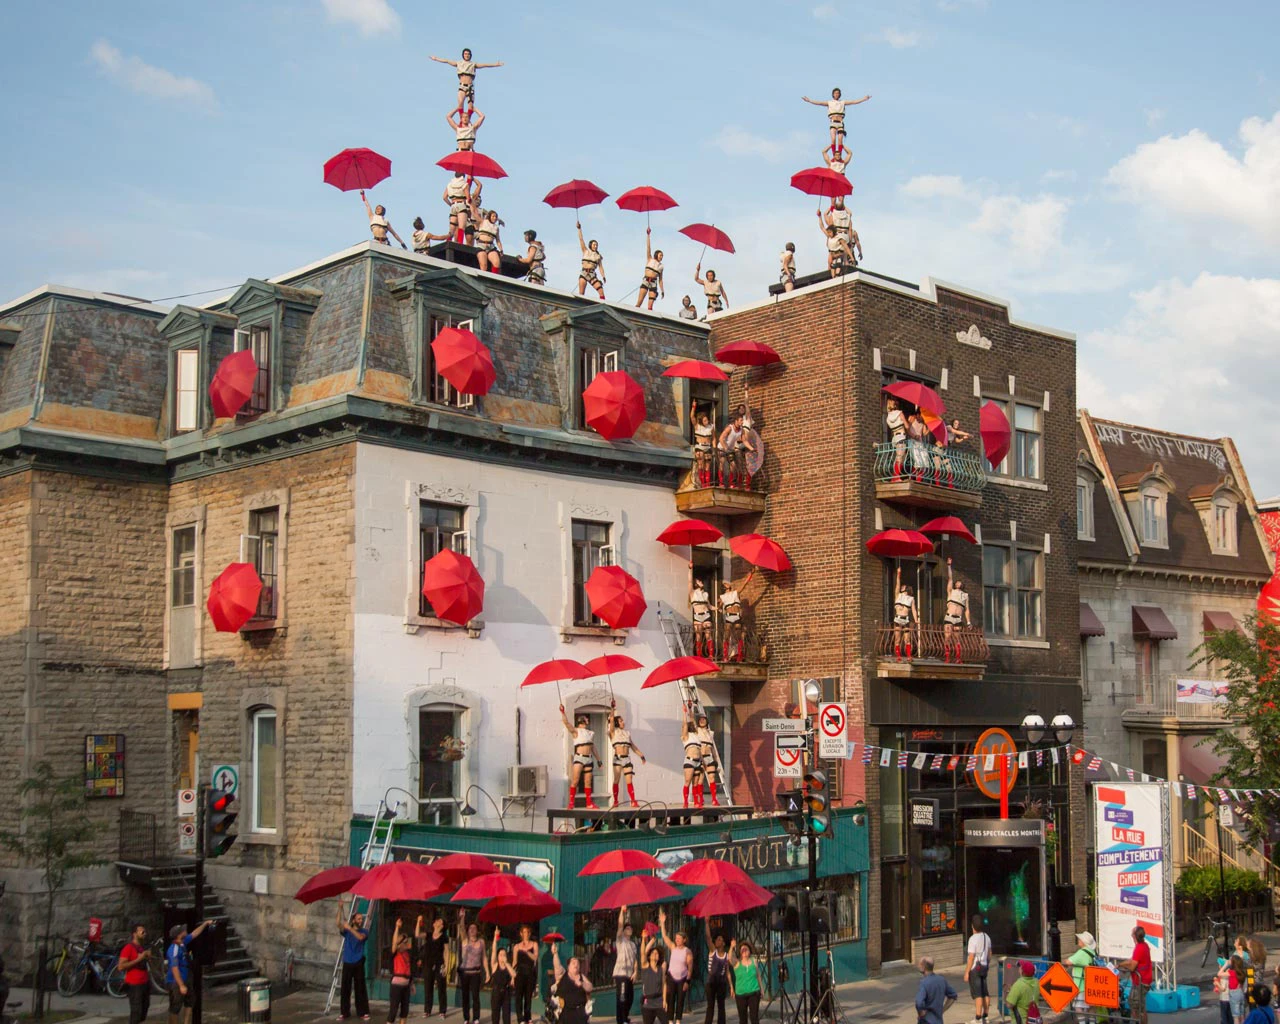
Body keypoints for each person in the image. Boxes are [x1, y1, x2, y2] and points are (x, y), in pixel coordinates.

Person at [167, 919, 213, 1024]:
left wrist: (205, 924)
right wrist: (181, 985)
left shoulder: (183, 943)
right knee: (175, 1006)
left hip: (186, 976)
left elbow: (194, 934)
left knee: (190, 1001)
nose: (185, 931)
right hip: (176, 981)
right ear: (178, 935)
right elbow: (174, 968)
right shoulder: (173, 949)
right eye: (183, 930)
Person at [430, 49, 504, 112]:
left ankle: (468, 119)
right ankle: (461, 120)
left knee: (470, 106)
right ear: (463, 55)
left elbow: (485, 65)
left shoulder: (473, 64)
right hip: (462, 86)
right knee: (460, 103)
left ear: (470, 55)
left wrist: (495, 64)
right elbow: (447, 61)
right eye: (465, 54)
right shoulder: (459, 63)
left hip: (470, 87)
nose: (467, 55)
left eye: (468, 54)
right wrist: (436, 58)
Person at [801, 88, 872, 151]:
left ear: (839, 94)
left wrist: (864, 99)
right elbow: (819, 103)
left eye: (838, 93)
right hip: (833, 122)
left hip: (840, 123)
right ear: (833, 94)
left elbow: (853, 102)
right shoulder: (829, 102)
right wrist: (809, 100)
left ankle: (839, 155)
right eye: (835, 93)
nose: (836, 94)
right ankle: (834, 154)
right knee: (833, 139)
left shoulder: (842, 102)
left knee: (840, 140)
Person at [560, 706, 602, 809]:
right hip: (579, 758)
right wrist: (563, 712)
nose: (588, 720)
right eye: (587, 719)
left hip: (589, 758)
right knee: (575, 780)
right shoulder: (576, 731)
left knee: (588, 781)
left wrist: (599, 760)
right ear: (582, 720)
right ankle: (571, 803)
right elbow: (566, 723)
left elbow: (593, 747)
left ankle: (589, 803)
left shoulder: (590, 733)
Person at [608, 707, 648, 808]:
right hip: (618, 758)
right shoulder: (613, 732)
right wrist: (612, 708)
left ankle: (633, 800)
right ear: (617, 723)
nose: (623, 722)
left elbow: (633, 746)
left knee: (629, 779)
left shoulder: (627, 733)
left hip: (627, 758)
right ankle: (616, 800)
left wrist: (641, 755)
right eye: (621, 721)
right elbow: (611, 719)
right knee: (616, 779)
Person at [719, 568, 758, 665]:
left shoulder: (735, 592)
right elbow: (717, 606)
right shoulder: (722, 597)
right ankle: (725, 656)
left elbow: (744, 584)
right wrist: (718, 609)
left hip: (736, 616)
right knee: (727, 635)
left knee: (738, 635)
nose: (727, 584)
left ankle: (739, 655)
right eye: (725, 583)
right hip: (728, 616)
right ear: (724, 587)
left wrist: (750, 574)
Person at [659, 910, 691, 1024]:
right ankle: (670, 1020)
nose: (676, 940)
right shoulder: (673, 947)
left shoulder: (687, 951)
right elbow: (664, 936)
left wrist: (688, 981)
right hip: (671, 977)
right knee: (670, 998)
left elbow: (690, 967)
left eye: (679, 938)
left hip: (682, 978)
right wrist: (662, 923)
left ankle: (678, 1020)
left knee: (680, 999)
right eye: (676, 938)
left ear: (684, 940)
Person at [416, 913, 449, 1019]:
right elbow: (417, 934)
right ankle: (427, 1010)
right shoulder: (429, 935)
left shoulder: (444, 937)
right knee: (428, 987)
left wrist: (446, 966)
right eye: (436, 920)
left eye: (439, 921)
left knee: (441, 988)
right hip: (428, 964)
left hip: (440, 964)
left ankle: (442, 1011)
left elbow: (447, 952)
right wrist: (418, 921)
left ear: (442, 925)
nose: (436, 921)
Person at [1119, 925, 1154, 1024]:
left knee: (1137, 1006)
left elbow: (1133, 966)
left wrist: (1125, 967)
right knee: (1137, 1004)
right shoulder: (1144, 945)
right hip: (1144, 980)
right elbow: (1133, 960)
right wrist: (1121, 964)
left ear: (1134, 936)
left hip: (1141, 982)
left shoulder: (1139, 948)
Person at [119, 922, 152, 1024]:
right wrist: (139, 959)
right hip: (134, 984)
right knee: (136, 1012)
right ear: (134, 933)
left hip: (144, 982)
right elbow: (121, 966)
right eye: (142, 931)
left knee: (144, 1009)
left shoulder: (142, 947)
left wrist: (148, 957)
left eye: (145, 931)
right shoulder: (128, 948)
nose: (144, 933)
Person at [550, 944, 593, 1024]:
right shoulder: (563, 974)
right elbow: (557, 966)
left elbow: (590, 987)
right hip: (566, 1013)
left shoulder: (581, 976)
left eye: (577, 963)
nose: (576, 964)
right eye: (573, 963)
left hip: (580, 1012)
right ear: (568, 966)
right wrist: (555, 954)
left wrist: (582, 984)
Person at [457, 913, 487, 1024]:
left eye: (474, 928)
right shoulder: (465, 940)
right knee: (465, 997)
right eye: (470, 928)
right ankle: (466, 1018)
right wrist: (462, 918)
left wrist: (487, 972)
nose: (472, 929)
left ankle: (476, 1018)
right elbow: (461, 929)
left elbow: (484, 957)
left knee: (475, 996)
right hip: (465, 973)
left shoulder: (481, 942)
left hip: (476, 973)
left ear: (477, 930)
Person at [963, 914, 992, 1024]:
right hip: (984, 966)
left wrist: (966, 972)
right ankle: (986, 1016)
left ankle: (978, 1018)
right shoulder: (986, 937)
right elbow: (990, 953)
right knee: (985, 992)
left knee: (978, 994)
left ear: (972, 926)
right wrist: (987, 963)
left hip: (975, 968)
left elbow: (971, 957)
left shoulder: (972, 939)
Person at [613, 907, 639, 1024]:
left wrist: (635, 972)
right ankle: (622, 1020)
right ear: (623, 931)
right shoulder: (620, 941)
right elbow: (619, 925)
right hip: (621, 973)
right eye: (627, 928)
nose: (629, 929)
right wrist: (622, 911)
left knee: (630, 998)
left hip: (629, 975)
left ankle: (624, 1017)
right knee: (622, 998)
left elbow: (635, 960)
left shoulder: (633, 944)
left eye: (630, 928)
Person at [716, 411, 756, 490]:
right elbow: (721, 438)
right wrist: (726, 448)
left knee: (733, 466)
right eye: (741, 420)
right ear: (736, 421)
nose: (742, 422)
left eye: (742, 421)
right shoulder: (729, 428)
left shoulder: (742, 430)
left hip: (730, 450)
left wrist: (752, 449)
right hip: (722, 448)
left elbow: (744, 441)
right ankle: (721, 483)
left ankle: (732, 484)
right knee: (722, 464)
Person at [943, 559, 971, 664]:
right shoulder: (951, 592)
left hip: (958, 618)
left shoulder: (965, 595)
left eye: (960, 583)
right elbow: (950, 579)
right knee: (947, 637)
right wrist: (949, 566)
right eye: (957, 582)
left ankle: (958, 657)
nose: (958, 583)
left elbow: (967, 610)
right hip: (949, 617)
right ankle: (947, 657)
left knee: (957, 638)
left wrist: (968, 622)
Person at [915, 956, 957, 1024]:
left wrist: (921, 1012)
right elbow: (953, 996)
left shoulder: (924, 983)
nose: (918, 966)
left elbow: (919, 1002)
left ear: (924, 966)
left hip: (926, 1021)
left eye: (919, 964)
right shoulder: (941, 980)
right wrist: (942, 1010)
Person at [728, 939, 761, 1024]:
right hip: (740, 995)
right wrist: (732, 947)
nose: (744, 951)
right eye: (742, 949)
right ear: (740, 952)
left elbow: (758, 975)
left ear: (750, 951)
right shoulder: (737, 963)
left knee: (754, 1018)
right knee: (743, 1020)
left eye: (746, 949)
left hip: (754, 992)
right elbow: (730, 958)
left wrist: (762, 989)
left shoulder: (754, 961)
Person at [680, 709, 708, 809]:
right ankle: (686, 802)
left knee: (695, 783)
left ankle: (696, 802)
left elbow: (693, 722)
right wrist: (684, 713)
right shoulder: (685, 736)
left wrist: (691, 711)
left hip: (698, 761)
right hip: (689, 760)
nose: (691, 725)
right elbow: (685, 724)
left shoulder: (696, 736)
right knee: (688, 781)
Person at [388, 920, 414, 1024]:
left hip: (406, 985)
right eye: (405, 942)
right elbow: (394, 943)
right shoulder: (396, 953)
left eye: (407, 942)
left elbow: (409, 970)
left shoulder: (407, 954)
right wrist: (397, 928)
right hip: (397, 984)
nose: (407, 944)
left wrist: (411, 984)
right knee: (393, 1010)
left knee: (405, 1011)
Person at [1067, 931, 1097, 1020]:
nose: (1078, 940)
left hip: (1081, 985)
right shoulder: (1092, 953)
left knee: (1078, 1006)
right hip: (1091, 985)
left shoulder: (1081, 953)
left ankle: (1082, 1023)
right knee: (1091, 1006)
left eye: (1080, 939)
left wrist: (1064, 962)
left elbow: (1069, 962)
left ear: (1083, 942)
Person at [703, 925, 730, 1024]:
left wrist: (731, 986)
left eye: (720, 940)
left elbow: (727, 972)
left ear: (723, 943)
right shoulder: (712, 951)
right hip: (711, 982)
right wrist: (706, 923)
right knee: (710, 1006)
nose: (717, 941)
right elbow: (708, 937)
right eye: (717, 939)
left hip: (721, 983)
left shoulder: (727, 955)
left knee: (721, 1006)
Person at [513, 926, 539, 1024]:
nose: (526, 934)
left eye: (527, 932)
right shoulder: (516, 946)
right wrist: (512, 976)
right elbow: (514, 962)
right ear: (521, 934)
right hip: (519, 974)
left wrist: (527, 952)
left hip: (530, 974)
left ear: (529, 933)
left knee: (528, 998)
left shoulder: (534, 944)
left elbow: (535, 958)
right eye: (524, 932)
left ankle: (528, 1017)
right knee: (518, 997)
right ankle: (520, 1019)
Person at [892, 563, 918, 662]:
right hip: (898, 618)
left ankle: (908, 656)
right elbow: (897, 584)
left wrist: (916, 620)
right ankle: (898, 656)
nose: (902, 587)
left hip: (906, 619)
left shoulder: (911, 598)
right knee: (897, 639)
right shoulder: (898, 595)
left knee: (907, 639)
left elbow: (914, 610)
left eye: (904, 586)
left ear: (907, 589)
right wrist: (899, 574)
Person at [490, 929, 516, 1024]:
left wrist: (506, 963)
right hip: (496, 992)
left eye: (504, 954)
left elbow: (514, 974)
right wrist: (495, 937)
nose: (502, 956)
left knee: (506, 1016)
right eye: (500, 954)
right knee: (495, 1016)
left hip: (506, 992)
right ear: (498, 956)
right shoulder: (494, 965)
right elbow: (493, 951)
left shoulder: (508, 966)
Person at [635, 228, 664, 310]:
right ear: (657, 254)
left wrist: (662, 290)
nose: (661, 257)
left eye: (662, 256)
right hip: (646, 281)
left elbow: (661, 279)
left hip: (654, 283)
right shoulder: (650, 259)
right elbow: (648, 247)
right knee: (639, 302)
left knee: (650, 306)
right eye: (660, 255)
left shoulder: (661, 266)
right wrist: (648, 235)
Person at [639, 939, 667, 1024]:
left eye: (657, 953)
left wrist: (664, 1001)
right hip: (648, 1002)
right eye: (653, 953)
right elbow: (643, 953)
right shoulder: (645, 966)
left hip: (659, 1001)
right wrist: (644, 940)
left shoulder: (661, 969)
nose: (655, 954)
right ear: (649, 956)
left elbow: (664, 984)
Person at [577, 223, 606, 299]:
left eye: (596, 245)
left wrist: (603, 276)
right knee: (581, 293)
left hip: (592, 275)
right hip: (584, 273)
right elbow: (581, 239)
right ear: (590, 245)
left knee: (600, 290)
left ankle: (602, 303)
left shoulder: (598, 256)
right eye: (594, 244)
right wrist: (579, 229)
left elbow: (601, 267)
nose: (595, 246)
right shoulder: (585, 251)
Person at [443, 173, 474, 244]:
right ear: (463, 176)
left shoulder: (449, 184)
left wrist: (450, 204)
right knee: (461, 227)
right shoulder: (464, 184)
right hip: (461, 205)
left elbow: (444, 197)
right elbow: (468, 198)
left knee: (452, 229)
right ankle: (460, 243)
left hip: (453, 205)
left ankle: (448, 242)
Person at [689, 569, 714, 658]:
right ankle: (699, 655)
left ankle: (711, 655)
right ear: (696, 584)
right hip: (697, 616)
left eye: (701, 581)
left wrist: (717, 608)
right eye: (699, 581)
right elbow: (689, 581)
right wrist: (690, 569)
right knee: (698, 636)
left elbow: (710, 606)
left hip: (706, 615)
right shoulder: (693, 593)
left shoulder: (705, 594)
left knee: (708, 635)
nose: (701, 582)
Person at [691, 404, 716, 488]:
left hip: (708, 446)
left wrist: (714, 448)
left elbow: (714, 438)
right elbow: (692, 417)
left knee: (707, 466)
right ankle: (701, 483)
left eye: (707, 420)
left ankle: (707, 483)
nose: (707, 421)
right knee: (700, 464)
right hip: (700, 446)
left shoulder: (711, 427)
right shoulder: (698, 426)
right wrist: (693, 407)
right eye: (705, 420)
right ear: (701, 421)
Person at [886, 397, 908, 479]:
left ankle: (896, 476)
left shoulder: (888, 417)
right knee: (900, 456)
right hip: (901, 436)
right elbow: (907, 426)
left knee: (901, 456)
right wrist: (907, 424)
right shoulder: (899, 413)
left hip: (894, 437)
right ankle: (896, 477)